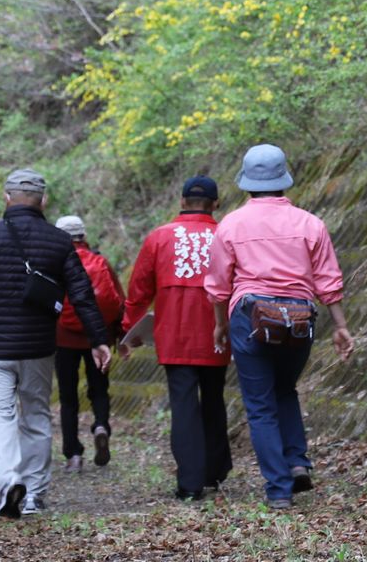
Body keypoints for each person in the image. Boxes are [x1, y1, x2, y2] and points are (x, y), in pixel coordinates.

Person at [0, 169, 113, 519]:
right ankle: (32, 494)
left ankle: (7, 482)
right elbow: (82, 294)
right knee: (35, 415)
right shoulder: (59, 241)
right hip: (38, 348)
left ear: (6, 198)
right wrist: (98, 339)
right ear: (43, 201)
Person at [205, 144, 355, 510]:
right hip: (299, 316)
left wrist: (220, 326)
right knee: (286, 389)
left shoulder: (231, 225)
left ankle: (278, 490)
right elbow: (328, 281)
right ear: (283, 179)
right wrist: (340, 326)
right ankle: (297, 461)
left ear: (247, 183)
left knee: (259, 405)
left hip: (249, 316)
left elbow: (218, 286)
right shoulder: (310, 223)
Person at [119, 176, 232, 501]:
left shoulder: (159, 238)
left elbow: (139, 290)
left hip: (174, 336)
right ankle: (215, 470)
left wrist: (129, 330)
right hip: (216, 332)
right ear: (216, 204)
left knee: (183, 406)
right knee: (213, 399)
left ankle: (190, 483)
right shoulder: (225, 235)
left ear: (181, 202)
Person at [53, 214, 126, 473]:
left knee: (68, 396)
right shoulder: (100, 261)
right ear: (83, 236)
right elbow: (118, 301)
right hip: (99, 337)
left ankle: (73, 454)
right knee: (99, 389)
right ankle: (101, 425)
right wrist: (118, 334)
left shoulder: (54, 263)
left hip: (63, 337)